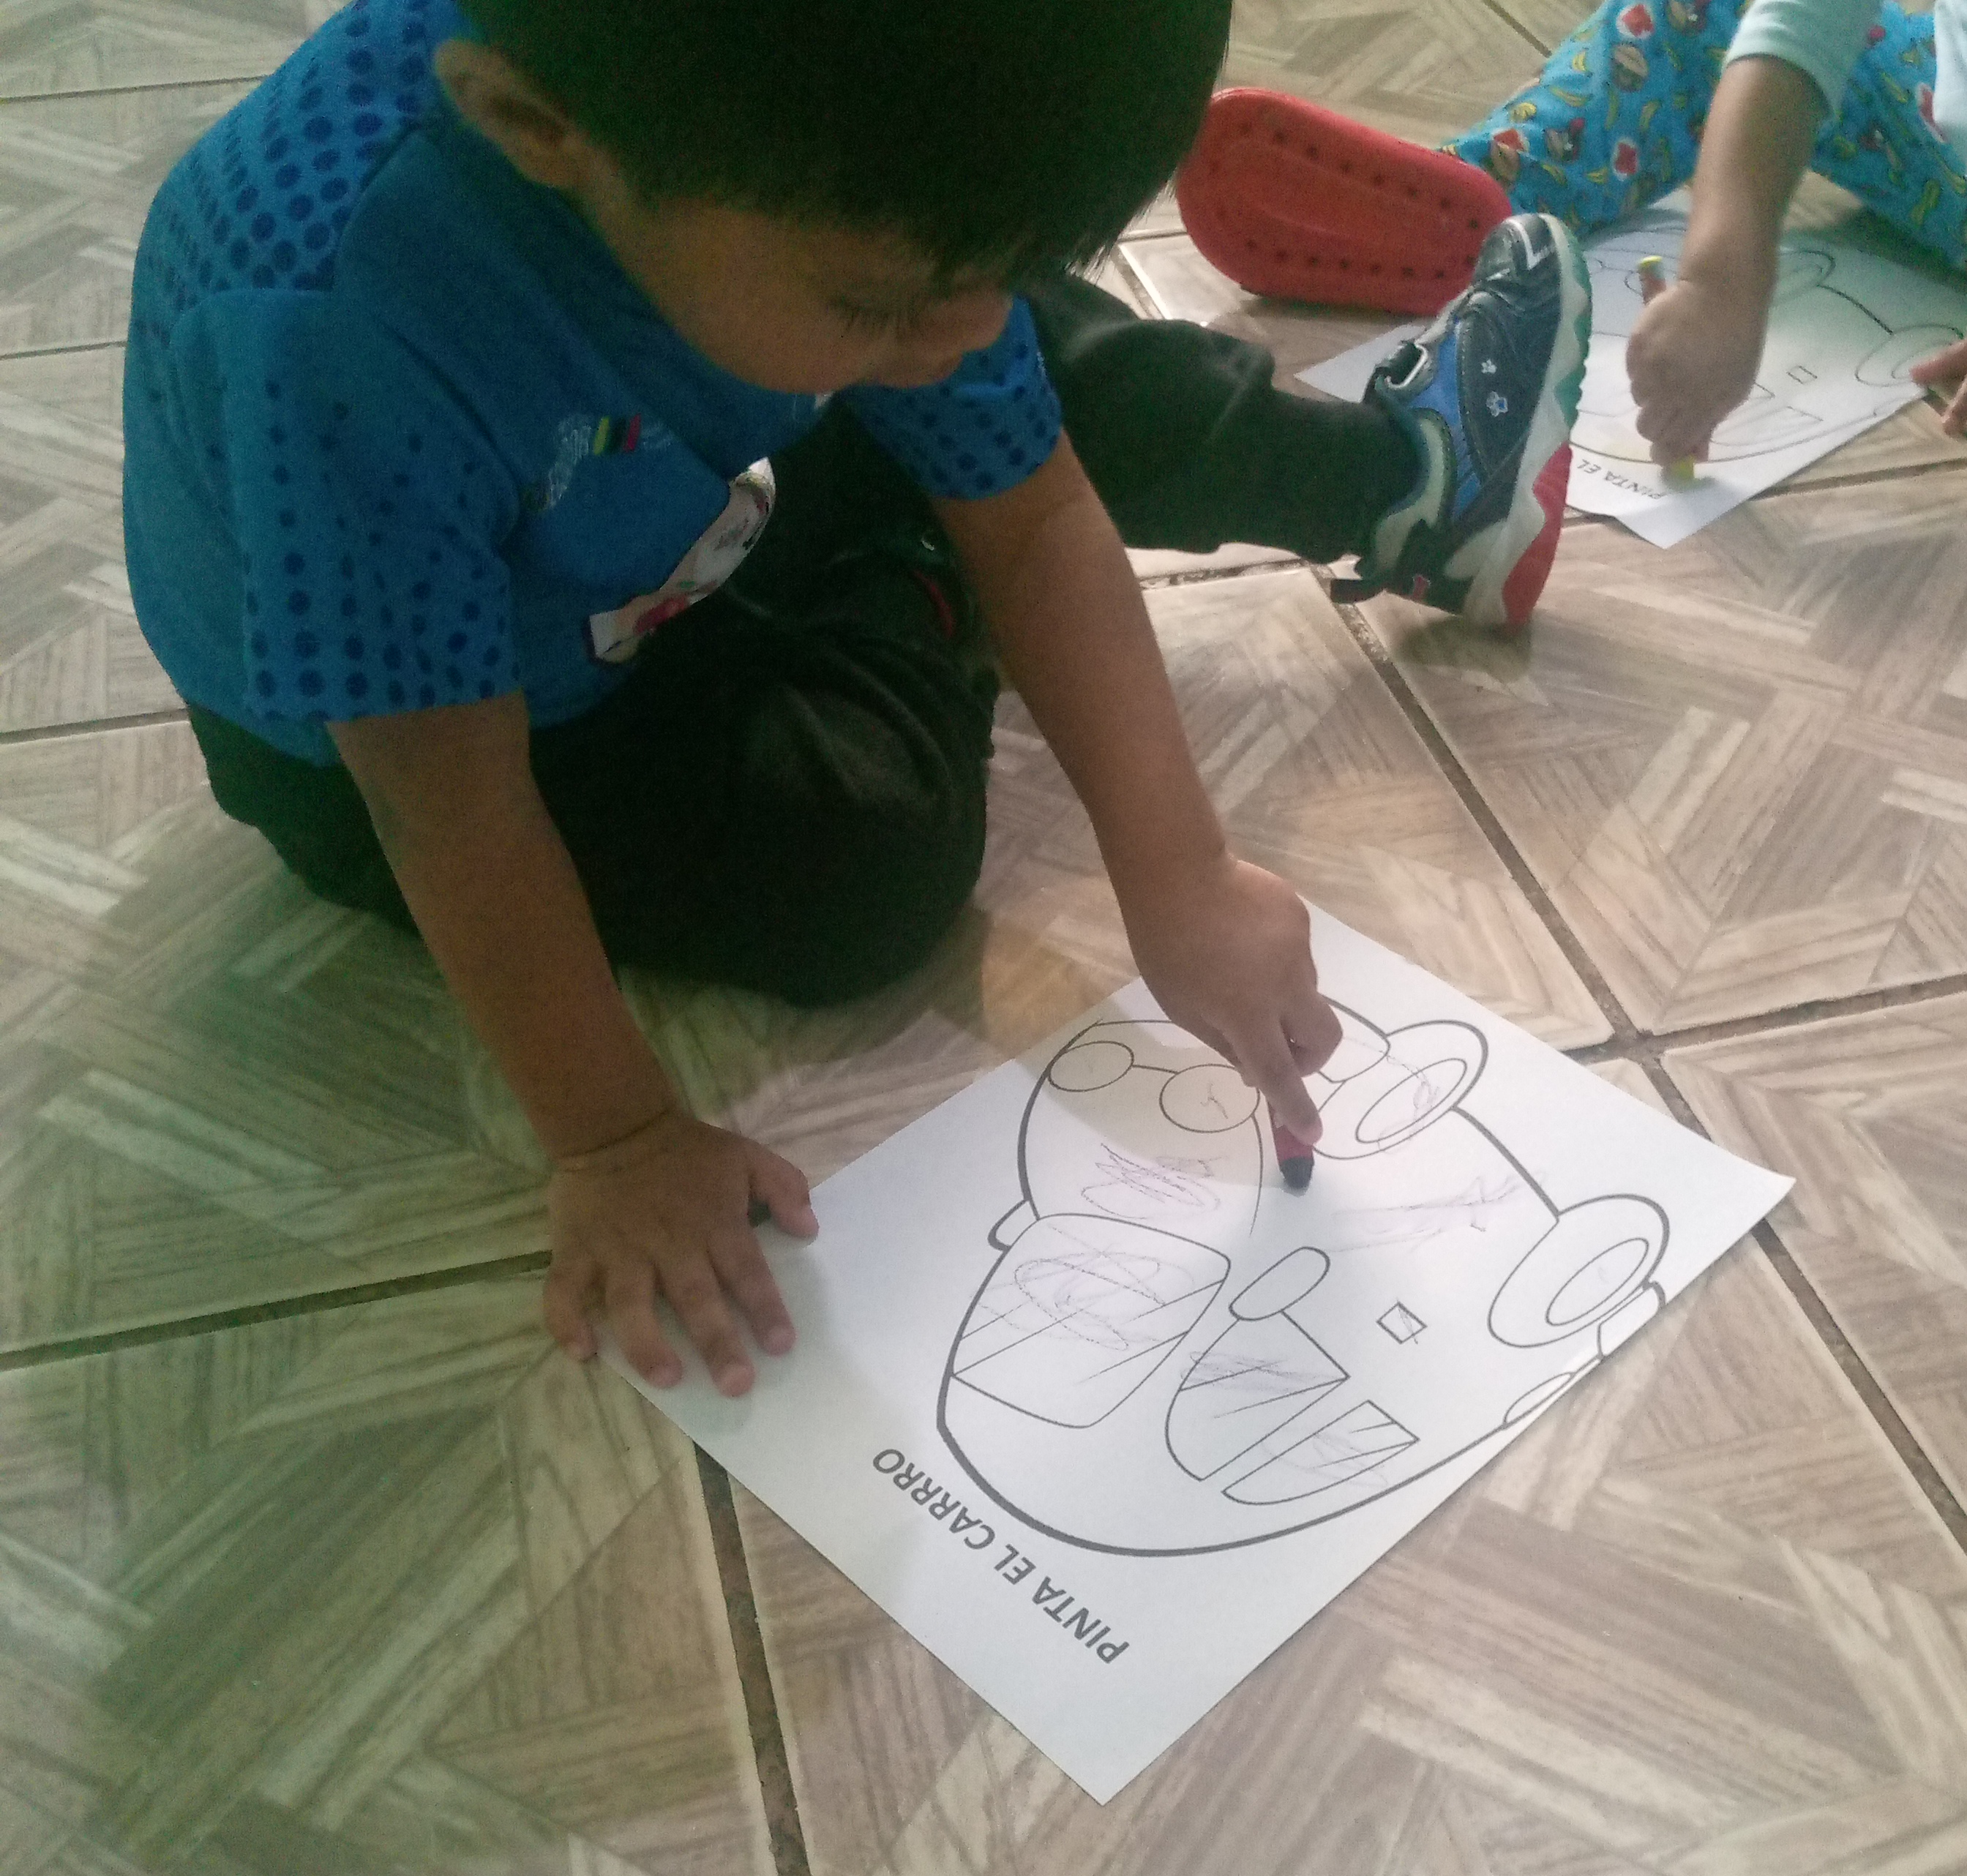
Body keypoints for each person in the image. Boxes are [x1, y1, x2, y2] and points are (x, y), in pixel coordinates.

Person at [121, 0, 1594, 1399]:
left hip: (694, 460)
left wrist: (1181, 872)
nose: (958, 334)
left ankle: (1404, 485)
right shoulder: (336, 339)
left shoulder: (797, 188)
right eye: (879, 300)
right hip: (426, 726)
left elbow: (1034, 511)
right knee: (862, 866)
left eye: (996, 273)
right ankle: (906, 545)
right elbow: (450, 811)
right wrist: (616, 1140)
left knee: (988, 331)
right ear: (536, 125)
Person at [1176, 0, 1967, 769]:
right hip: (1952, 143)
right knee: (1695, 12)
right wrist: (1723, 273)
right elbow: (1795, 27)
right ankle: (1477, 195)